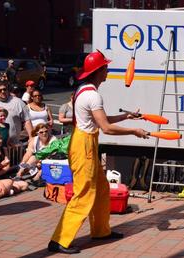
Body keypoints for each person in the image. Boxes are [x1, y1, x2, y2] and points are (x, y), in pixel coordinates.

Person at [48, 50, 148, 254]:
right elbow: (106, 128)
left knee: (102, 190)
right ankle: (59, 240)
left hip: (85, 142)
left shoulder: (83, 90)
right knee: (83, 195)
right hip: (83, 145)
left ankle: (101, 231)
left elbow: (100, 120)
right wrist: (134, 131)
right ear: (99, 71)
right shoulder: (93, 95)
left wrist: (127, 116)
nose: (108, 70)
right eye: (106, 67)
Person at [0, 79, 33, 144]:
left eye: (4, 89)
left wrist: (31, 137)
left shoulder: (18, 102)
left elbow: (27, 121)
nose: (3, 91)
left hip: (12, 145)